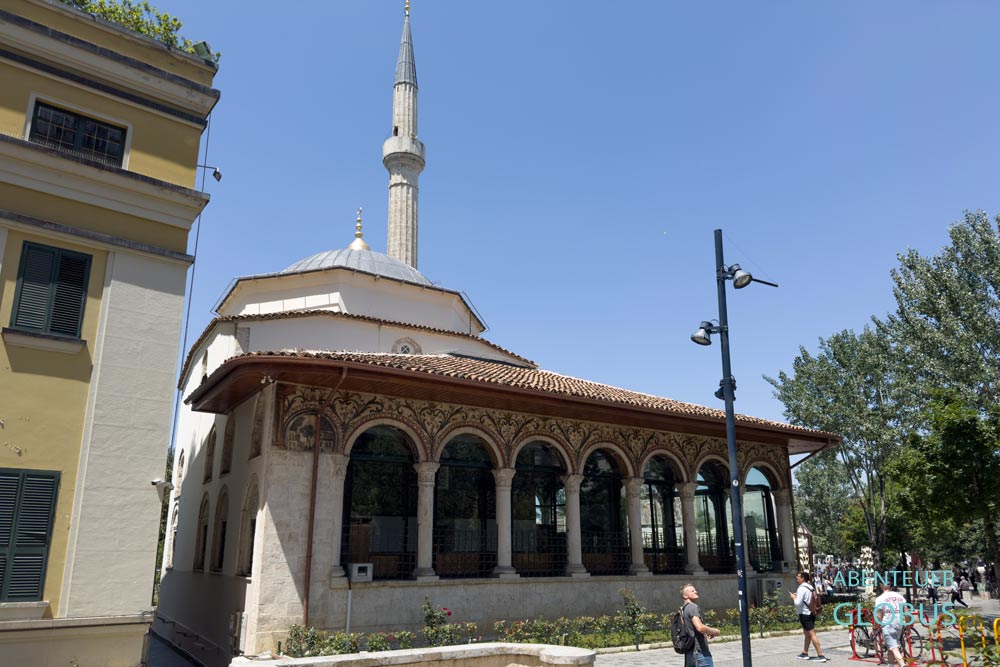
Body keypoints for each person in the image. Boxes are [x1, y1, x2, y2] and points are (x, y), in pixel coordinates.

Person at [790, 571, 829, 662]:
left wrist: (793, 597)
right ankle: (805, 653)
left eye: (798, 576)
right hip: (811, 612)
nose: (796, 578)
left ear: (803, 578)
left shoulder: (801, 588)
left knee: (812, 634)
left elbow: (797, 603)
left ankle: (820, 655)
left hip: (804, 614)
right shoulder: (810, 587)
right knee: (807, 633)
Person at [680, 583, 722, 667]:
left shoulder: (683, 609)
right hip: (700, 652)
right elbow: (700, 627)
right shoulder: (692, 607)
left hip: (690, 653)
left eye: (695, 590)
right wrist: (715, 631)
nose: (696, 592)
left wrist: (706, 632)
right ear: (685, 596)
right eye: (692, 591)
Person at [874, 582, 908, 667]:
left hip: (888, 624)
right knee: (891, 646)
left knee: (894, 648)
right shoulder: (900, 596)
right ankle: (891, 665)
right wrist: (908, 625)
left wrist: (875, 627)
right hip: (899, 623)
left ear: (880, 585)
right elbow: (907, 613)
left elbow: (878, 616)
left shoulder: (880, 599)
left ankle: (903, 664)